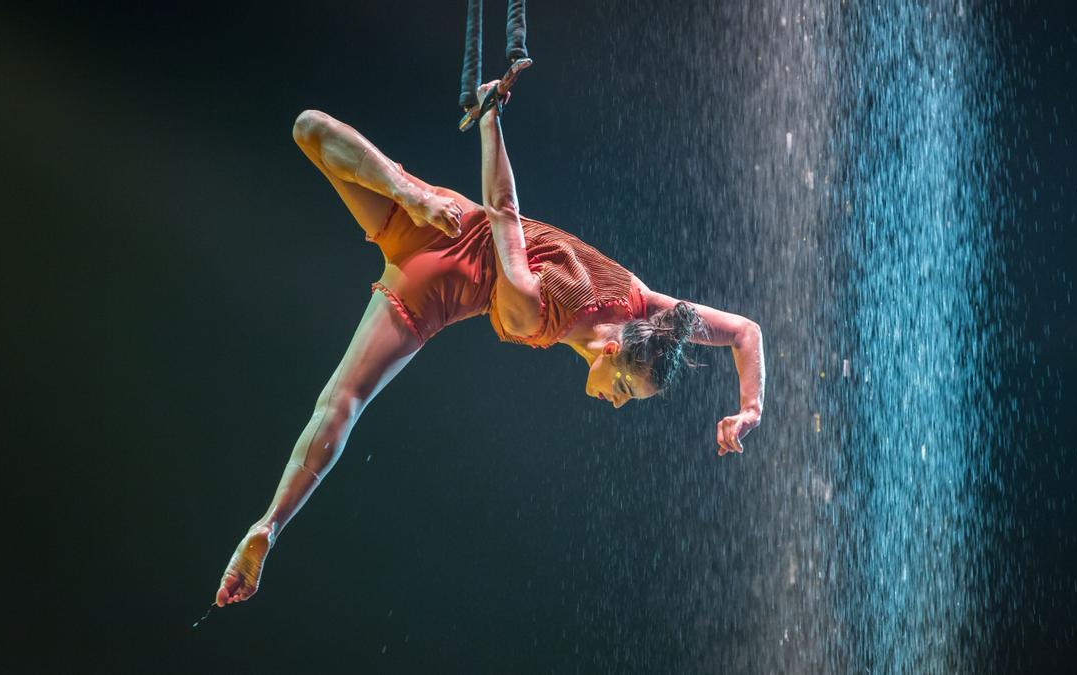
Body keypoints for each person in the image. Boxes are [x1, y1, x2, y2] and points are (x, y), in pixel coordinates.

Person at [215, 82, 765, 607]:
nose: (616, 402)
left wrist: (749, 409)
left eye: (628, 398)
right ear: (609, 352)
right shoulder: (538, 316)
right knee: (343, 402)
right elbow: (505, 208)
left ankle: (404, 189)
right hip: (428, 294)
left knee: (309, 128)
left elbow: (745, 333)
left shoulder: (639, 303)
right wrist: (488, 122)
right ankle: (268, 525)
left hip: (439, 213)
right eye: (623, 386)